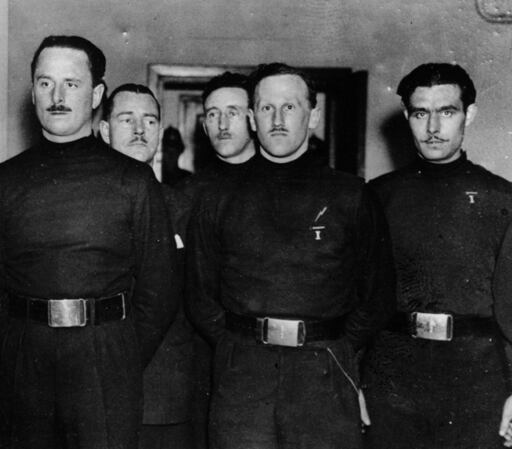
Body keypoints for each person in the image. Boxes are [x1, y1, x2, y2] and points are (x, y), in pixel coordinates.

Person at [0, 35, 178, 449]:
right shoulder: (2, 181)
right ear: (33, 93)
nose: (57, 97)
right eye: (45, 83)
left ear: (96, 94)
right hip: (25, 359)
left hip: (105, 358)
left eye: (72, 84)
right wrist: (15, 348)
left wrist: (120, 356)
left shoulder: (133, 181)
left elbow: (160, 289)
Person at [186, 62, 394, 449]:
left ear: (313, 115)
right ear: (252, 118)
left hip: (324, 370)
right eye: (267, 108)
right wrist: (238, 345)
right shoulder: (218, 197)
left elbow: (377, 296)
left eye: (290, 107)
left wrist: (334, 347)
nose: (278, 119)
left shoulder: (351, 195)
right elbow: (201, 295)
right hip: (243, 374)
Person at [361, 63, 512, 449]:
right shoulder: (377, 197)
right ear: (406, 116)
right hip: (392, 378)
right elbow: (359, 300)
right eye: (420, 113)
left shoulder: (502, 199)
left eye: (446, 112)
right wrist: (354, 381)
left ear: (469, 115)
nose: (432, 127)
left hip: (478, 380)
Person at [99, 83, 195, 449]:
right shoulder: (84, 203)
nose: (140, 130)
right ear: (104, 129)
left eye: (150, 120)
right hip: (93, 389)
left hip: (163, 393)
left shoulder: (183, 208)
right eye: (127, 119)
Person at [178, 71, 256, 203]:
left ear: (253, 119)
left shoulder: (282, 183)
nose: (222, 125)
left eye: (232, 113)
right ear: (205, 127)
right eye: (213, 115)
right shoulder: (187, 193)